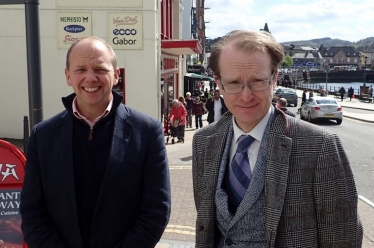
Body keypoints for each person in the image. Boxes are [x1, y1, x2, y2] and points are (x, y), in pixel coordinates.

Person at [192, 30, 362, 247]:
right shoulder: (204, 142)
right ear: (218, 82)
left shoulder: (320, 146)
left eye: (257, 81)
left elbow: (342, 239)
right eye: (234, 83)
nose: (246, 95)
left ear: (275, 79)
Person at [20, 36, 171, 248]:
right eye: (80, 69)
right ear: (68, 76)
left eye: (100, 69)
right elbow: (32, 212)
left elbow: (156, 211)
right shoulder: (42, 135)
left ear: (116, 75)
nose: (90, 78)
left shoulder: (147, 132)